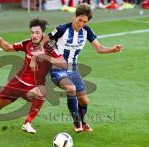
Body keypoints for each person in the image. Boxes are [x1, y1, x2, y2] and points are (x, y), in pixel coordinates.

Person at [0, 18, 67, 134]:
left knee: (41, 92)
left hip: (34, 86)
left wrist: (43, 55)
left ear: (43, 33)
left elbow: (63, 64)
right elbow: (7, 48)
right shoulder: (27, 43)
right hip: (17, 83)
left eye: (37, 33)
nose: (34, 35)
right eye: (32, 32)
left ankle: (27, 123)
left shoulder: (49, 47)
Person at [46, 3, 123, 132]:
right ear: (74, 16)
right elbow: (44, 41)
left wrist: (112, 49)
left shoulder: (87, 31)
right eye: (79, 20)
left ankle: (83, 122)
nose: (81, 23)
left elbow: (99, 48)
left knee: (85, 101)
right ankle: (77, 124)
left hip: (73, 69)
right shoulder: (61, 29)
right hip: (57, 68)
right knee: (71, 89)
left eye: (84, 21)